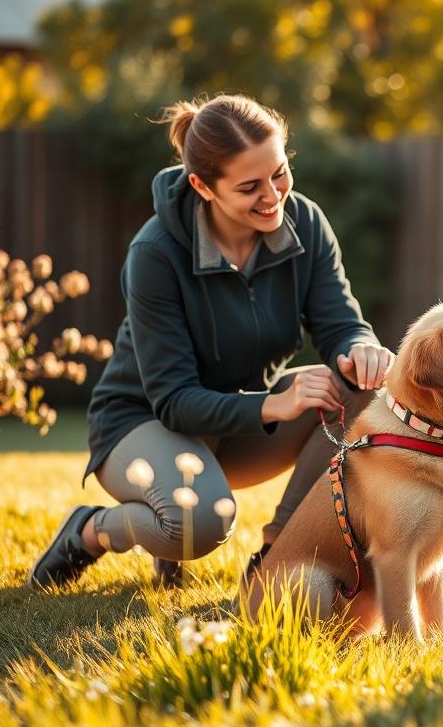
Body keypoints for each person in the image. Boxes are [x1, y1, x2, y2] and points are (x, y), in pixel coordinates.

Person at [29, 93, 393, 589]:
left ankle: (277, 555)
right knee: (201, 523)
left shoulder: (305, 223)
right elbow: (174, 400)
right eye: (249, 187)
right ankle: (91, 529)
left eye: (279, 173)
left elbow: (340, 323)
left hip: (236, 426)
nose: (273, 195)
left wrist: (359, 349)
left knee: (360, 390)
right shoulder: (155, 253)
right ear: (202, 185)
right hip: (140, 423)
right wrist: (274, 405)